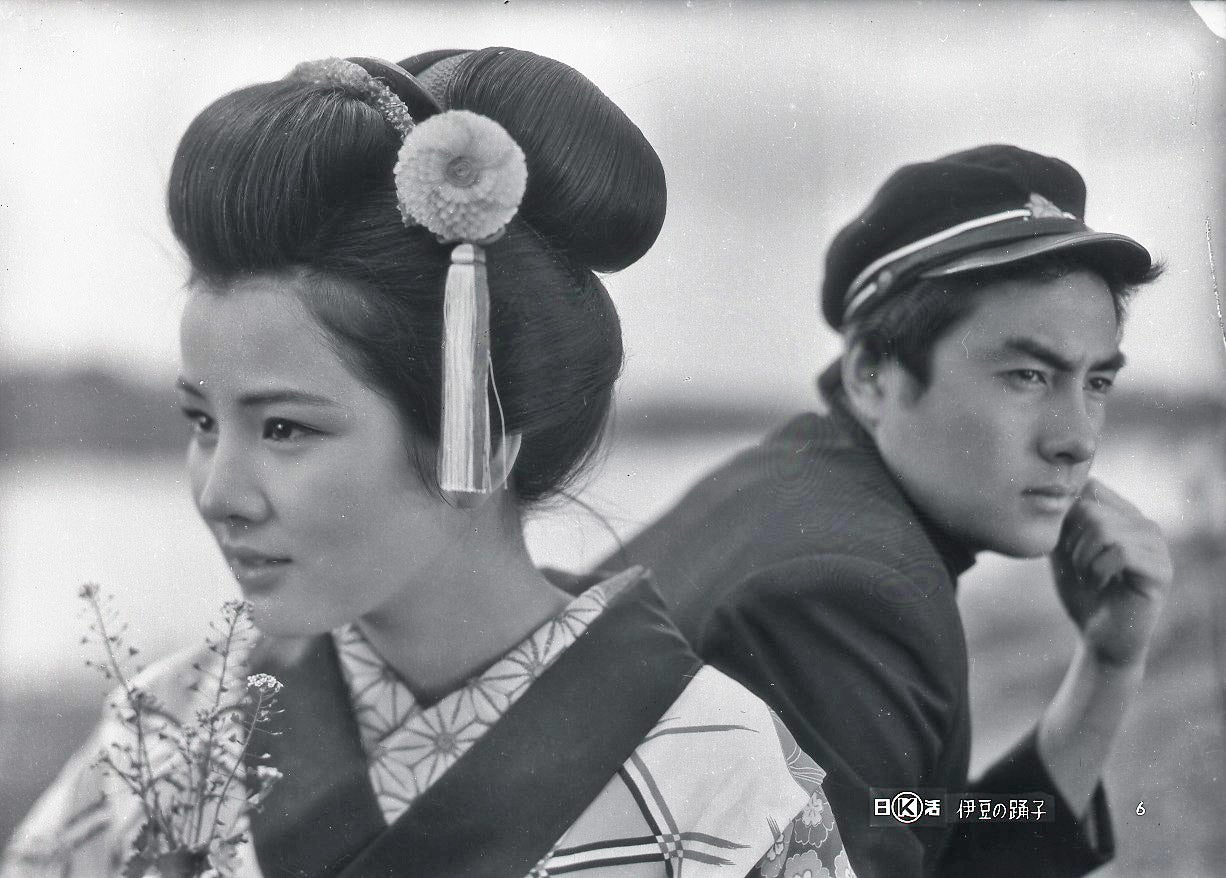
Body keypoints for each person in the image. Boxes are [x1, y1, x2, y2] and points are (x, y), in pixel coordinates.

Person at [1, 49, 856, 878]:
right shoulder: (172, 724)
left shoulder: (722, 780)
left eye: (285, 429)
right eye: (200, 421)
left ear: (477, 438)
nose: (219, 493)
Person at [594, 146, 1173, 877]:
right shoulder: (848, 593)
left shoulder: (796, 474)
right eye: (1028, 375)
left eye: (1097, 383)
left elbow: (916, 829)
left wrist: (1109, 664)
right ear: (872, 374)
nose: (1079, 440)